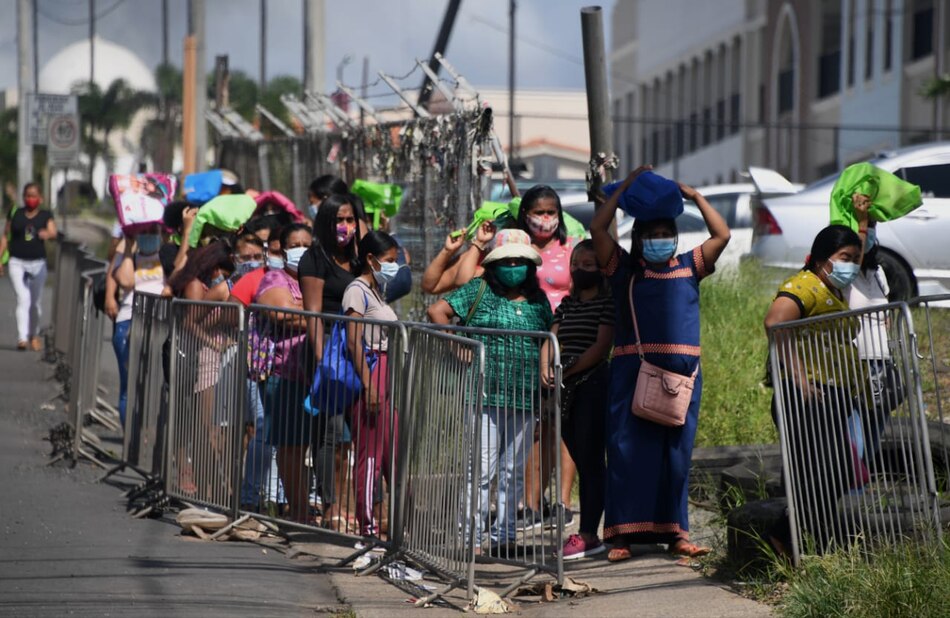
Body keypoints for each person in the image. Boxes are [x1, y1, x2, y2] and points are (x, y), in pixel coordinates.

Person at [590, 166, 730, 562]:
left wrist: (697, 196)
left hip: (683, 378)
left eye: (666, 234)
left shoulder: (690, 267)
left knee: (676, 456)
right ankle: (620, 536)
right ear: (638, 238)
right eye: (651, 235)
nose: (660, 241)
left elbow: (723, 235)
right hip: (632, 373)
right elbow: (599, 231)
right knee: (625, 453)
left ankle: (677, 536)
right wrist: (625, 189)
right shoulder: (624, 272)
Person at [427, 229, 553, 552]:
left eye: (520, 261)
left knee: (513, 471)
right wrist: (458, 347)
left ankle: (505, 536)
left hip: (524, 397)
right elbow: (437, 311)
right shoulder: (479, 289)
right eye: (507, 260)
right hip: (485, 394)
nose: (514, 266)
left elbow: (549, 335)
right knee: (481, 469)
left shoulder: (539, 301)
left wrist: (545, 366)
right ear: (495, 264)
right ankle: (470, 536)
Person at [764, 224, 867, 550]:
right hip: (807, 396)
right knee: (828, 471)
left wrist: (863, 224)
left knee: (837, 471)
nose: (851, 264)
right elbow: (775, 323)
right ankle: (784, 536)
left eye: (855, 258)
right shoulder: (804, 286)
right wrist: (799, 378)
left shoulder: (833, 290)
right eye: (844, 257)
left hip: (832, 394)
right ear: (823, 259)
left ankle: (803, 544)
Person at [541, 240, 615, 559]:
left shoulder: (607, 305)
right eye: (577, 264)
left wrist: (568, 370)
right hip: (565, 387)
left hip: (591, 382)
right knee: (572, 450)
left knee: (590, 460)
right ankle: (589, 532)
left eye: (589, 264)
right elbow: (551, 337)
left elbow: (600, 348)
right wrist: (546, 364)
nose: (581, 270)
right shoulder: (568, 304)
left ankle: (589, 533)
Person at [298, 193, 361, 531]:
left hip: (361, 355)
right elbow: (313, 317)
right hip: (331, 357)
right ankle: (331, 504)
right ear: (325, 222)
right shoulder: (314, 259)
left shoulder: (360, 258)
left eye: (351, 220)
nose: (346, 227)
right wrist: (324, 364)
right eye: (339, 220)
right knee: (330, 431)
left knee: (357, 433)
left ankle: (357, 503)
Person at [253, 223, 314, 523]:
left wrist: (305, 310)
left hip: (315, 372)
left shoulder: (314, 279)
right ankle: (299, 511)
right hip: (283, 371)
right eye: (295, 244)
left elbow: (305, 312)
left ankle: (309, 506)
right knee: (290, 444)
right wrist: (316, 315)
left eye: (307, 243)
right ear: (284, 249)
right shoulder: (273, 278)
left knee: (310, 445)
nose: (301, 249)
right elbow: (283, 314)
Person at [342, 231, 401, 537]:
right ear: (371, 259)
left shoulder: (377, 291)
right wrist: (369, 384)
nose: (394, 266)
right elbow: (354, 341)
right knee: (371, 455)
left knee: (390, 450)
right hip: (372, 372)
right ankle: (367, 526)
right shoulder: (357, 291)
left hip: (386, 372)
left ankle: (398, 522)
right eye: (389, 261)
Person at [847, 195, 903, 457]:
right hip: (855, 364)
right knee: (855, 439)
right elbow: (854, 259)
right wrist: (860, 222)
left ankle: (863, 488)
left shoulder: (878, 273)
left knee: (873, 437)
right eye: (865, 229)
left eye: (873, 228)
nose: (869, 233)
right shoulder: (845, 274)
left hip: (881, 362)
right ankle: (852, 491)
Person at [110, 225, 166, 425]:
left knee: (156, 385)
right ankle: (131, 443)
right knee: (129, 385)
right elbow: (125, 281)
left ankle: (149, 438)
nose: (149, 236)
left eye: (153, 231)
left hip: (160, 324)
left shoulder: (166, 255)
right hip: (128, 322)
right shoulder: (129, 256)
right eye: (144, 232)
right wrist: (128, 246)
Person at [0, 183, 57, 350]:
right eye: (27, 195)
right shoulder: (16, 213)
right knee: (23, 298)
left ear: (40, 198)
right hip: (17, 262)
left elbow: (53, 232)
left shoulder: (45, 215)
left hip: (38, 263)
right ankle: (22, 338)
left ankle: (34, 334)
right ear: (23, 197)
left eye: (33, 195)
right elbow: (5, 236)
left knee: (35, 302)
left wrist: (48, 234)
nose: (30, 199)